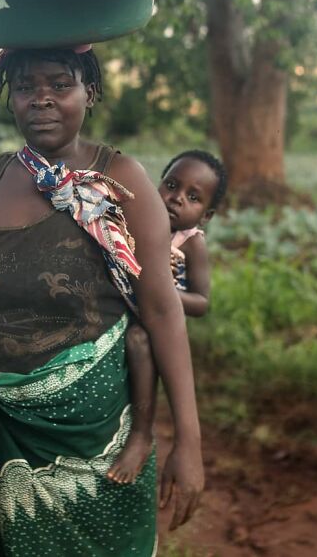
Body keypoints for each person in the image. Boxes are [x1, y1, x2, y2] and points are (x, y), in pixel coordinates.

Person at [0, 46, 204, 556]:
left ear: (89, 93)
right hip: (2, 444)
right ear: (11, 98)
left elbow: (162, 311)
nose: (41, 100)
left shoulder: (122, 181)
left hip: (99, 446)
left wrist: (189, 440)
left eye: (59, 85)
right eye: (26, 87)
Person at [107, 150, 227, 485]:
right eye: (171, 185)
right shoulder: (139, 222)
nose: (176, 199)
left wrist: (162, 290)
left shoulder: (191, 243)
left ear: (206, 215)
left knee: (139, 342)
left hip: (157, 323)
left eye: (192, 197)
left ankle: (142, 434)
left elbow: (202, 302)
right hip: (126, 307)